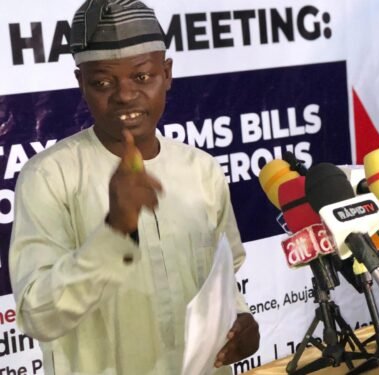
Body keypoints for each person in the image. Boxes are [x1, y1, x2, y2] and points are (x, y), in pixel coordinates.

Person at [8, 1, 260, 373]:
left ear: (167, 73)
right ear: (81, 84)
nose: (125, 95)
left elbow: (221, 277)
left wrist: (240, 319)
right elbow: (38, 316)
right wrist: (115, 230)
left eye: (142, 77)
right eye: (103, 82)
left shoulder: (201, 170)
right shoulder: (49, 177)